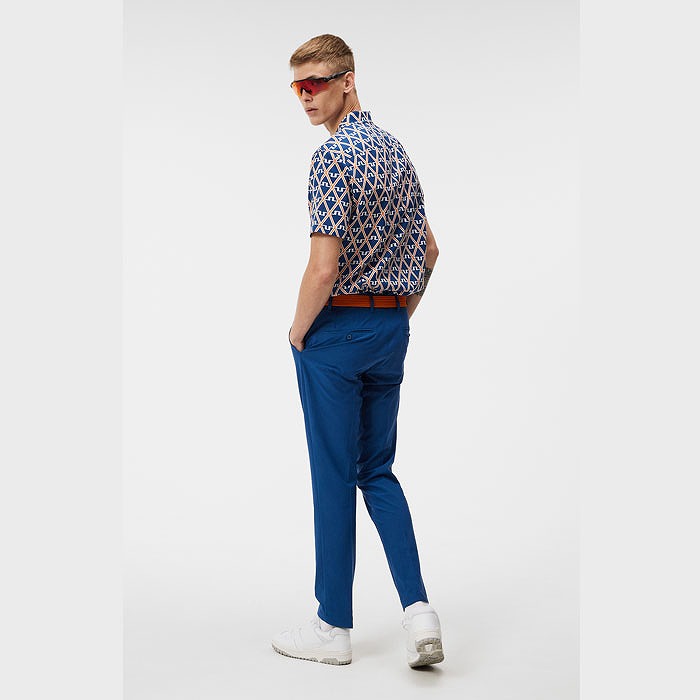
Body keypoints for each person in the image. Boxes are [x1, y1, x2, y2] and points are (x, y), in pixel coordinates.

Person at [271, 34, 443, 668]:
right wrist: (397, 316)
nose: (307, 96)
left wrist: (298, 331)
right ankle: (419, 614)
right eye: (298, 86)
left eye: (317, 82)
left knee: (333, 477)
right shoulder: (395, 151)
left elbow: (323, 269)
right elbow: (429, 249)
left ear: (348, 80)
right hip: (390, 327)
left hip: (336, 334)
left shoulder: (332, 157)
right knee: (377, 471)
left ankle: (332, 626)